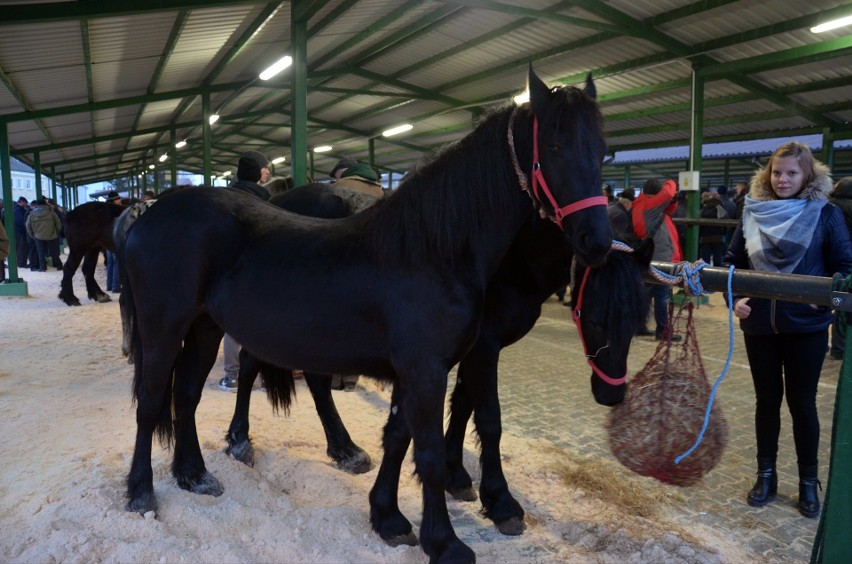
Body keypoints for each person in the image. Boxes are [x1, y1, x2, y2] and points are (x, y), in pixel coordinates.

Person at [724, 142, 852, 518]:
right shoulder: (752, 211)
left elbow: (843, 265)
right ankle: (766, 475)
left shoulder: (826, 214)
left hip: (806, 327)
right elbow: (732, 262)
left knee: (802, 404)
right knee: (766, 402)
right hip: (760, 324)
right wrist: (736, 299)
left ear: (807, 175)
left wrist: (823, 299)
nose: (782, 179)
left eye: (791, 173)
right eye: (777, 172)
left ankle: (808, 482)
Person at [219, 151, 272, 391]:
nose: (268, 171)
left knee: (233, 325)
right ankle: (257, 374)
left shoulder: (227, 196)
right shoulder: (262, 199)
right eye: (264, 168)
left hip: (230, 268)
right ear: (255, 171)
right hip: (257, 268)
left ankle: (232, 375)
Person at [631, 178, 683, 340]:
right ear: (656, 195)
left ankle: (637, 325)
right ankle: (663, 331)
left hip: (651, 256)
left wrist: (673, 199)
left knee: (645, 294)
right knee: (662, 296)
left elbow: (669, 207)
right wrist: (672, 182)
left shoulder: (643, 205)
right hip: (660, 258)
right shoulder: (649, 206)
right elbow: (667, 192)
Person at [828, 176, 852, 360]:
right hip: (848, 263)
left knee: (835, 303)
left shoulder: (829, 207)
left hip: (830, 264)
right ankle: (840, 347)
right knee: (845, 305)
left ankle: (834, 347)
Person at [25, 198, 63, 272]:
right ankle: (59, 266)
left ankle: (43, 267)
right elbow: (58, 223)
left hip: (38, 236)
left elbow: (28, 225)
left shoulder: (32, 213)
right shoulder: (50, 211)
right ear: (45, 204)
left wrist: (33, 235)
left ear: (37, 205)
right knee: (54, 252)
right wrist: (56, 232)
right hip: (52, 235)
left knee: (41, 253)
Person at [698, 191, 729, 266]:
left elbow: (699, 226)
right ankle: (717, 275)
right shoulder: (721, 210)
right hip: (718, 238)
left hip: (705, 238)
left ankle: (705, 274)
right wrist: (723, 233)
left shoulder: (702, 211)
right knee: (717, 259)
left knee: (705, 260)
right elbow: (726, 224)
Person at [104, 191, 123, 292]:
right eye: (118, 200)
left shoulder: (105, 210)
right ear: (114, 200)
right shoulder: (115, 210)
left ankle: (109, 285)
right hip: (114, 238)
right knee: (116, 262)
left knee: (110, 263)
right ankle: (116, 286)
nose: (120, 201)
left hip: (106, 238)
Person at [13, 197, 31, 268]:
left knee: (20, 248)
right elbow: (21, 222)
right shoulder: (19, 210)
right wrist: (26, 229)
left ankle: (21, 262)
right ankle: (21, 263)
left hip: (18, 231)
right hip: (20, 232)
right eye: (25, 203)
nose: (25, 204)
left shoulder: (16, 209)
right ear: (21, 202)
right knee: (22, 247)